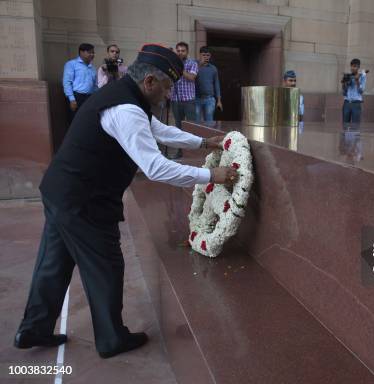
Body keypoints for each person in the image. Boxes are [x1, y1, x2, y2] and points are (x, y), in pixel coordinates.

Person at [13, 44, 238, 359]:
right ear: (148, 82)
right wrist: (212, 175)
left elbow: (158, 131)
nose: (169, 94)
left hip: (59, 190)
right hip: (85, 201)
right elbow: (155, 167)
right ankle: (111, 338)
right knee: (105, 264)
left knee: (54, 262)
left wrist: (202, 142)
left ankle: (33, 328)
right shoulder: (128, 108)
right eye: (167, 86)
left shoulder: (126, 95)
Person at [170, 42, 198, 159]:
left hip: (188, 100)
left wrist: (180, 68)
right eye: (179, 51)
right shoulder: (172, 64)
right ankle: (180, 152)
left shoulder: (192, 63)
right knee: (178, 128)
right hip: (175, 100)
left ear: (187, 52)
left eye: (183, 51)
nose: (180, 53)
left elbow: (192, 77)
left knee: (191, 127)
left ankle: (192, 153)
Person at [63, 43, 97, 125]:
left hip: (89, 98)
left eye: (93, 53)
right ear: (81, 52)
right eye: (89, 52)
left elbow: (95, 85)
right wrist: (72, 99)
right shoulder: (71, 64)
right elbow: (67, 82)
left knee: (87, 123)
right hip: (77, 97)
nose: (92, 55)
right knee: (75, 123)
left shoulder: (92, 68)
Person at [195, 46, 222, 123]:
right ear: (200, 55)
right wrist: (200, 65)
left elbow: (217, 84)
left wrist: (219, 100)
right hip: (196, 98)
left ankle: (208, 135)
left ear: (210, 56)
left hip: (210, 99)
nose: (206, 57)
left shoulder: (213, 68)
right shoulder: (194, 65)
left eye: (207, 55)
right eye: (203, 55)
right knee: (196, 122)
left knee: (209, 121)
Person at [341, 58, 367, 123]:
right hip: (347, 103)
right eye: (352, 66)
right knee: (345, 124)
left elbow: (361, 91)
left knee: (355, 126)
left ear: (358, 67)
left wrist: (357, 81)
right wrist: (344, 84)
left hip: (356, 104)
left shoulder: (362, 77)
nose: (353, 68)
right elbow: (344, 93)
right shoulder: (347, 76)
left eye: (355, 66)